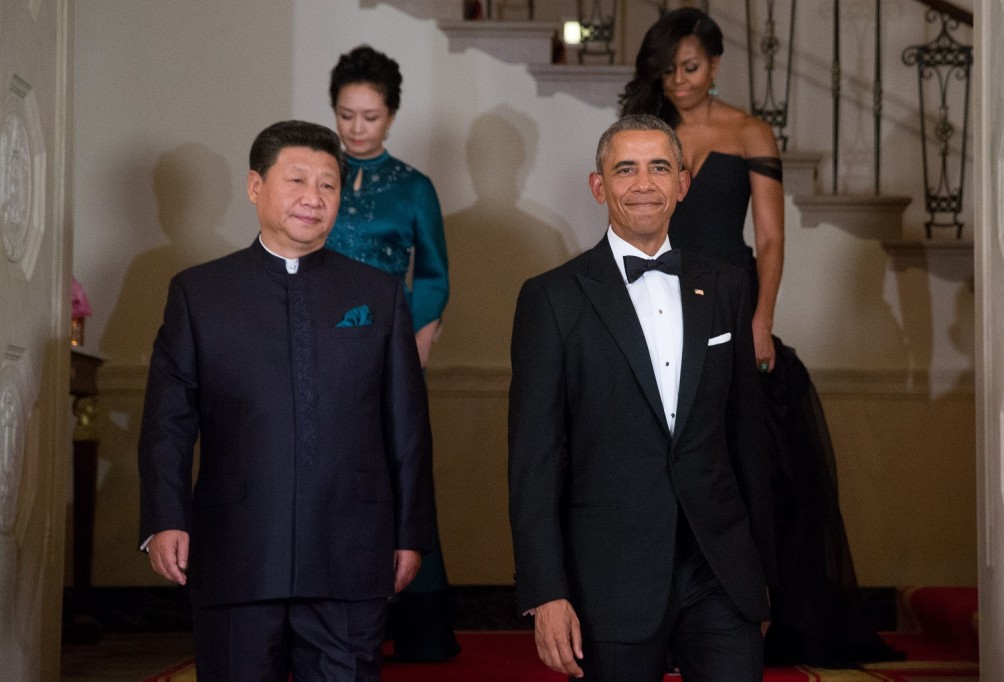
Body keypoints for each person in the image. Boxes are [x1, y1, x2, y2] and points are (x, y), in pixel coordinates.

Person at [620, 8, 899, 667]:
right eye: (667, 71)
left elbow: (770, 237)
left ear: (715, 64)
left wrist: (760, 320)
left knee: (748, 467)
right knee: (661, 458)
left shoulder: (749, 129)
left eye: (690, 68)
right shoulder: (646, 132)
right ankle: (663, 614)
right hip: (660, 297)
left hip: (732, 303)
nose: (679, 82)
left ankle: (752, 613)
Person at [137, 120, 435, 682]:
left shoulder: (378, 295)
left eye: (328, 185)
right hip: (236, 554)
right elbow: (168, 423)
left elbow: (407, 429)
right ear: (255, 187)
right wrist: (164, 518)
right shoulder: (199, 293)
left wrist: (410, 534)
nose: (313, 198)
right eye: (297, 180)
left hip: (350, 555)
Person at [508, 114, 775, 682]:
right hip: (607, 580)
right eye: (625, 169)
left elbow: (747, 437)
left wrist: (762, 577)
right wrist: (546, 592)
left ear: (682, 183)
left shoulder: (727, 285)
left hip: (720, 574)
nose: (644, 184)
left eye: (659, 167)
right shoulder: (551, 299)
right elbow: (534, 461)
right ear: (599, 186)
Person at [325, 45, 459, 662]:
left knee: (399, 474)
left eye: (370, 117)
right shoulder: (311, 173)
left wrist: (418, 336)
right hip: (317, 350)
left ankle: (417, 625)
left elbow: (432, 272)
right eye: (346, 115)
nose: (356, 128)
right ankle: (333, 613)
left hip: (389, 350)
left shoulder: (413, 188)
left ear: (392, 116)